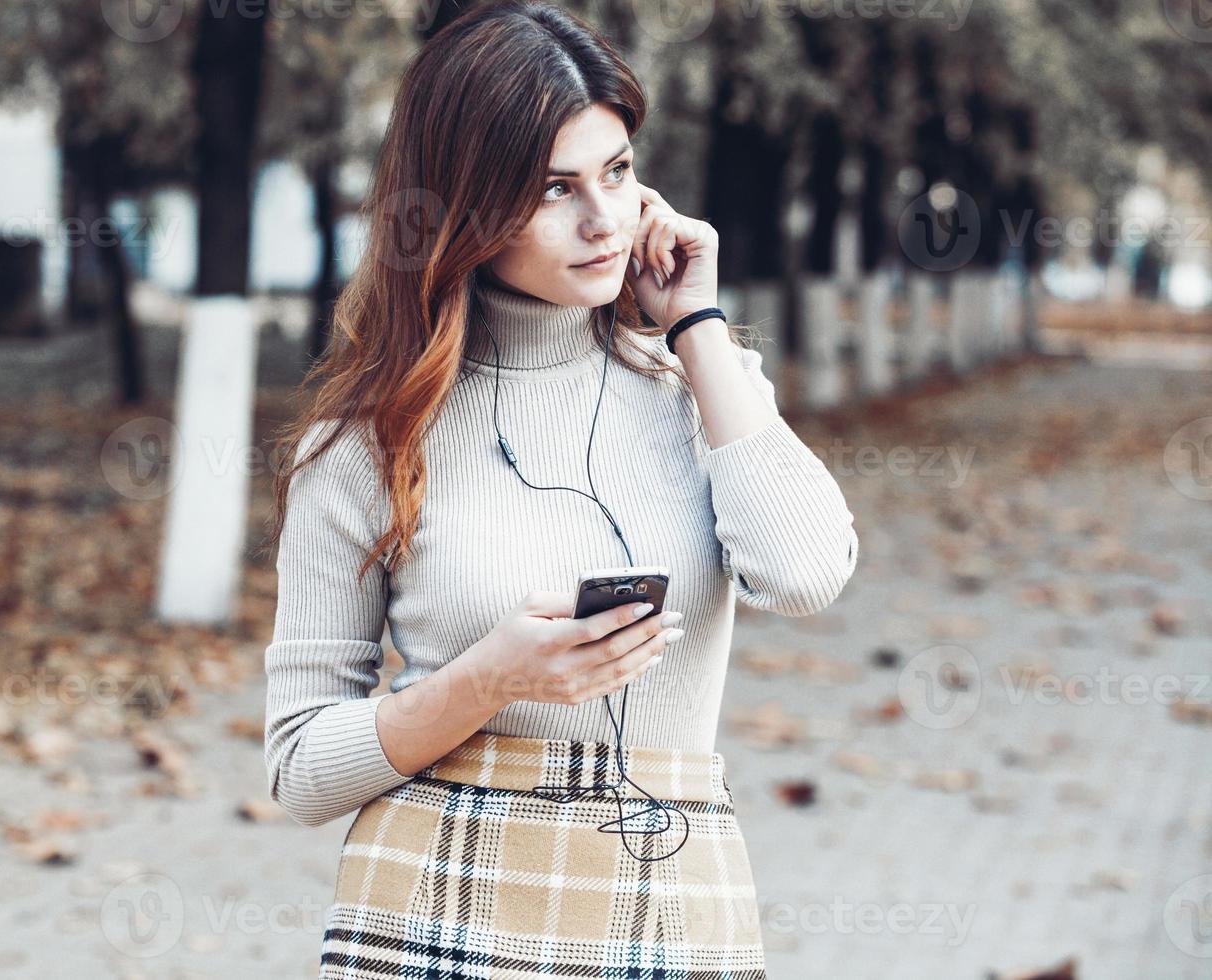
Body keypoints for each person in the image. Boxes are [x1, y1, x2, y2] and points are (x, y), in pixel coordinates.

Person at [262, 2, 859, 976]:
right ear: (465, 207)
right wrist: (488, 678)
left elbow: (803, 572)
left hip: (666, 899)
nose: (602, 221)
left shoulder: (698, 389)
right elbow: (298, 768)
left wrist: (698, 322)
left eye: (617, 173)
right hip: (433, 910)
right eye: (552, 189)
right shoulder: (366, 442)